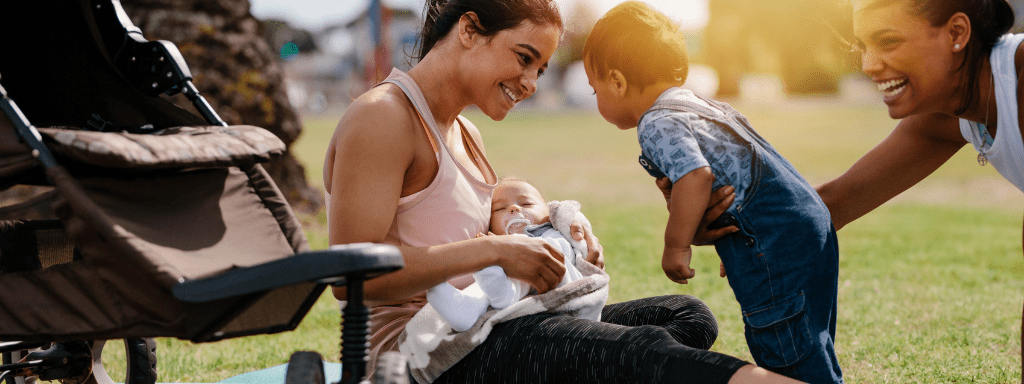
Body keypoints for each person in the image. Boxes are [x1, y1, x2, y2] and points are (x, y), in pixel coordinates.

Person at [322, 0, 804, 381]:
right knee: (640, 352)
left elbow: (490, 230)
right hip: (416, 357)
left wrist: (561, 239)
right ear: (470, 30)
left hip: (486, 327)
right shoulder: (383, 116)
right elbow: (352, 274)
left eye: (542, 69)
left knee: (685, 315)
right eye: (524, 58)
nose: (531, 83)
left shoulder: (466, 134)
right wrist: (494, 250)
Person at [582, 2, 842, 383]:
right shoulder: (702, 106)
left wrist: (676, 245)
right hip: (806, 223)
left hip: (774, 237)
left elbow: (696, 176)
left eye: (595, 90)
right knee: (809, 339)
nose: (596, 99)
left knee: (786, 353)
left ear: (618, 82)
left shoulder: (655, 121)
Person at [810, 0, 1024, 379]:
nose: (869, 65)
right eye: (862, 47)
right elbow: (835, 202)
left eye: (888, 42)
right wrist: (732, 218)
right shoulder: (949, 113)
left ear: (957, 33)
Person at [426, 177, 592, 332]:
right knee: (482, 284)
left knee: (533, 258)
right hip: (517, 302)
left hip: (555, 277)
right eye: (499, 208)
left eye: (526, 204)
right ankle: (466, 310)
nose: (514, 208)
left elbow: (571, 226)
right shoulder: (498, 245)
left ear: (549, 214)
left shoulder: (553, 233)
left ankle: (503, 296)